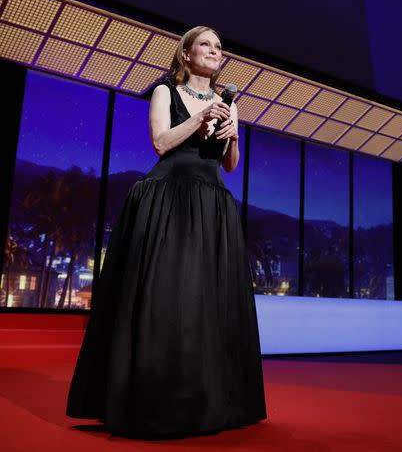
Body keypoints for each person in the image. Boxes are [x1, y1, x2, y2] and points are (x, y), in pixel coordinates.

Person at [66, 27, 267, 437]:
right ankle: (149, 397)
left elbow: (231, 165)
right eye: (206, 45)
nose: (215, 51)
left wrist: (231, 134)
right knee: (166, 296)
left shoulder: (229, 103)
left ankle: (206, 397)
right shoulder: (164, 91)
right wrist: (199, 118)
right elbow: (160, 142)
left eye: (219, 47)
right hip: (169, 197)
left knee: (206, 302)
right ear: (186, 53)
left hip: (212, 202)